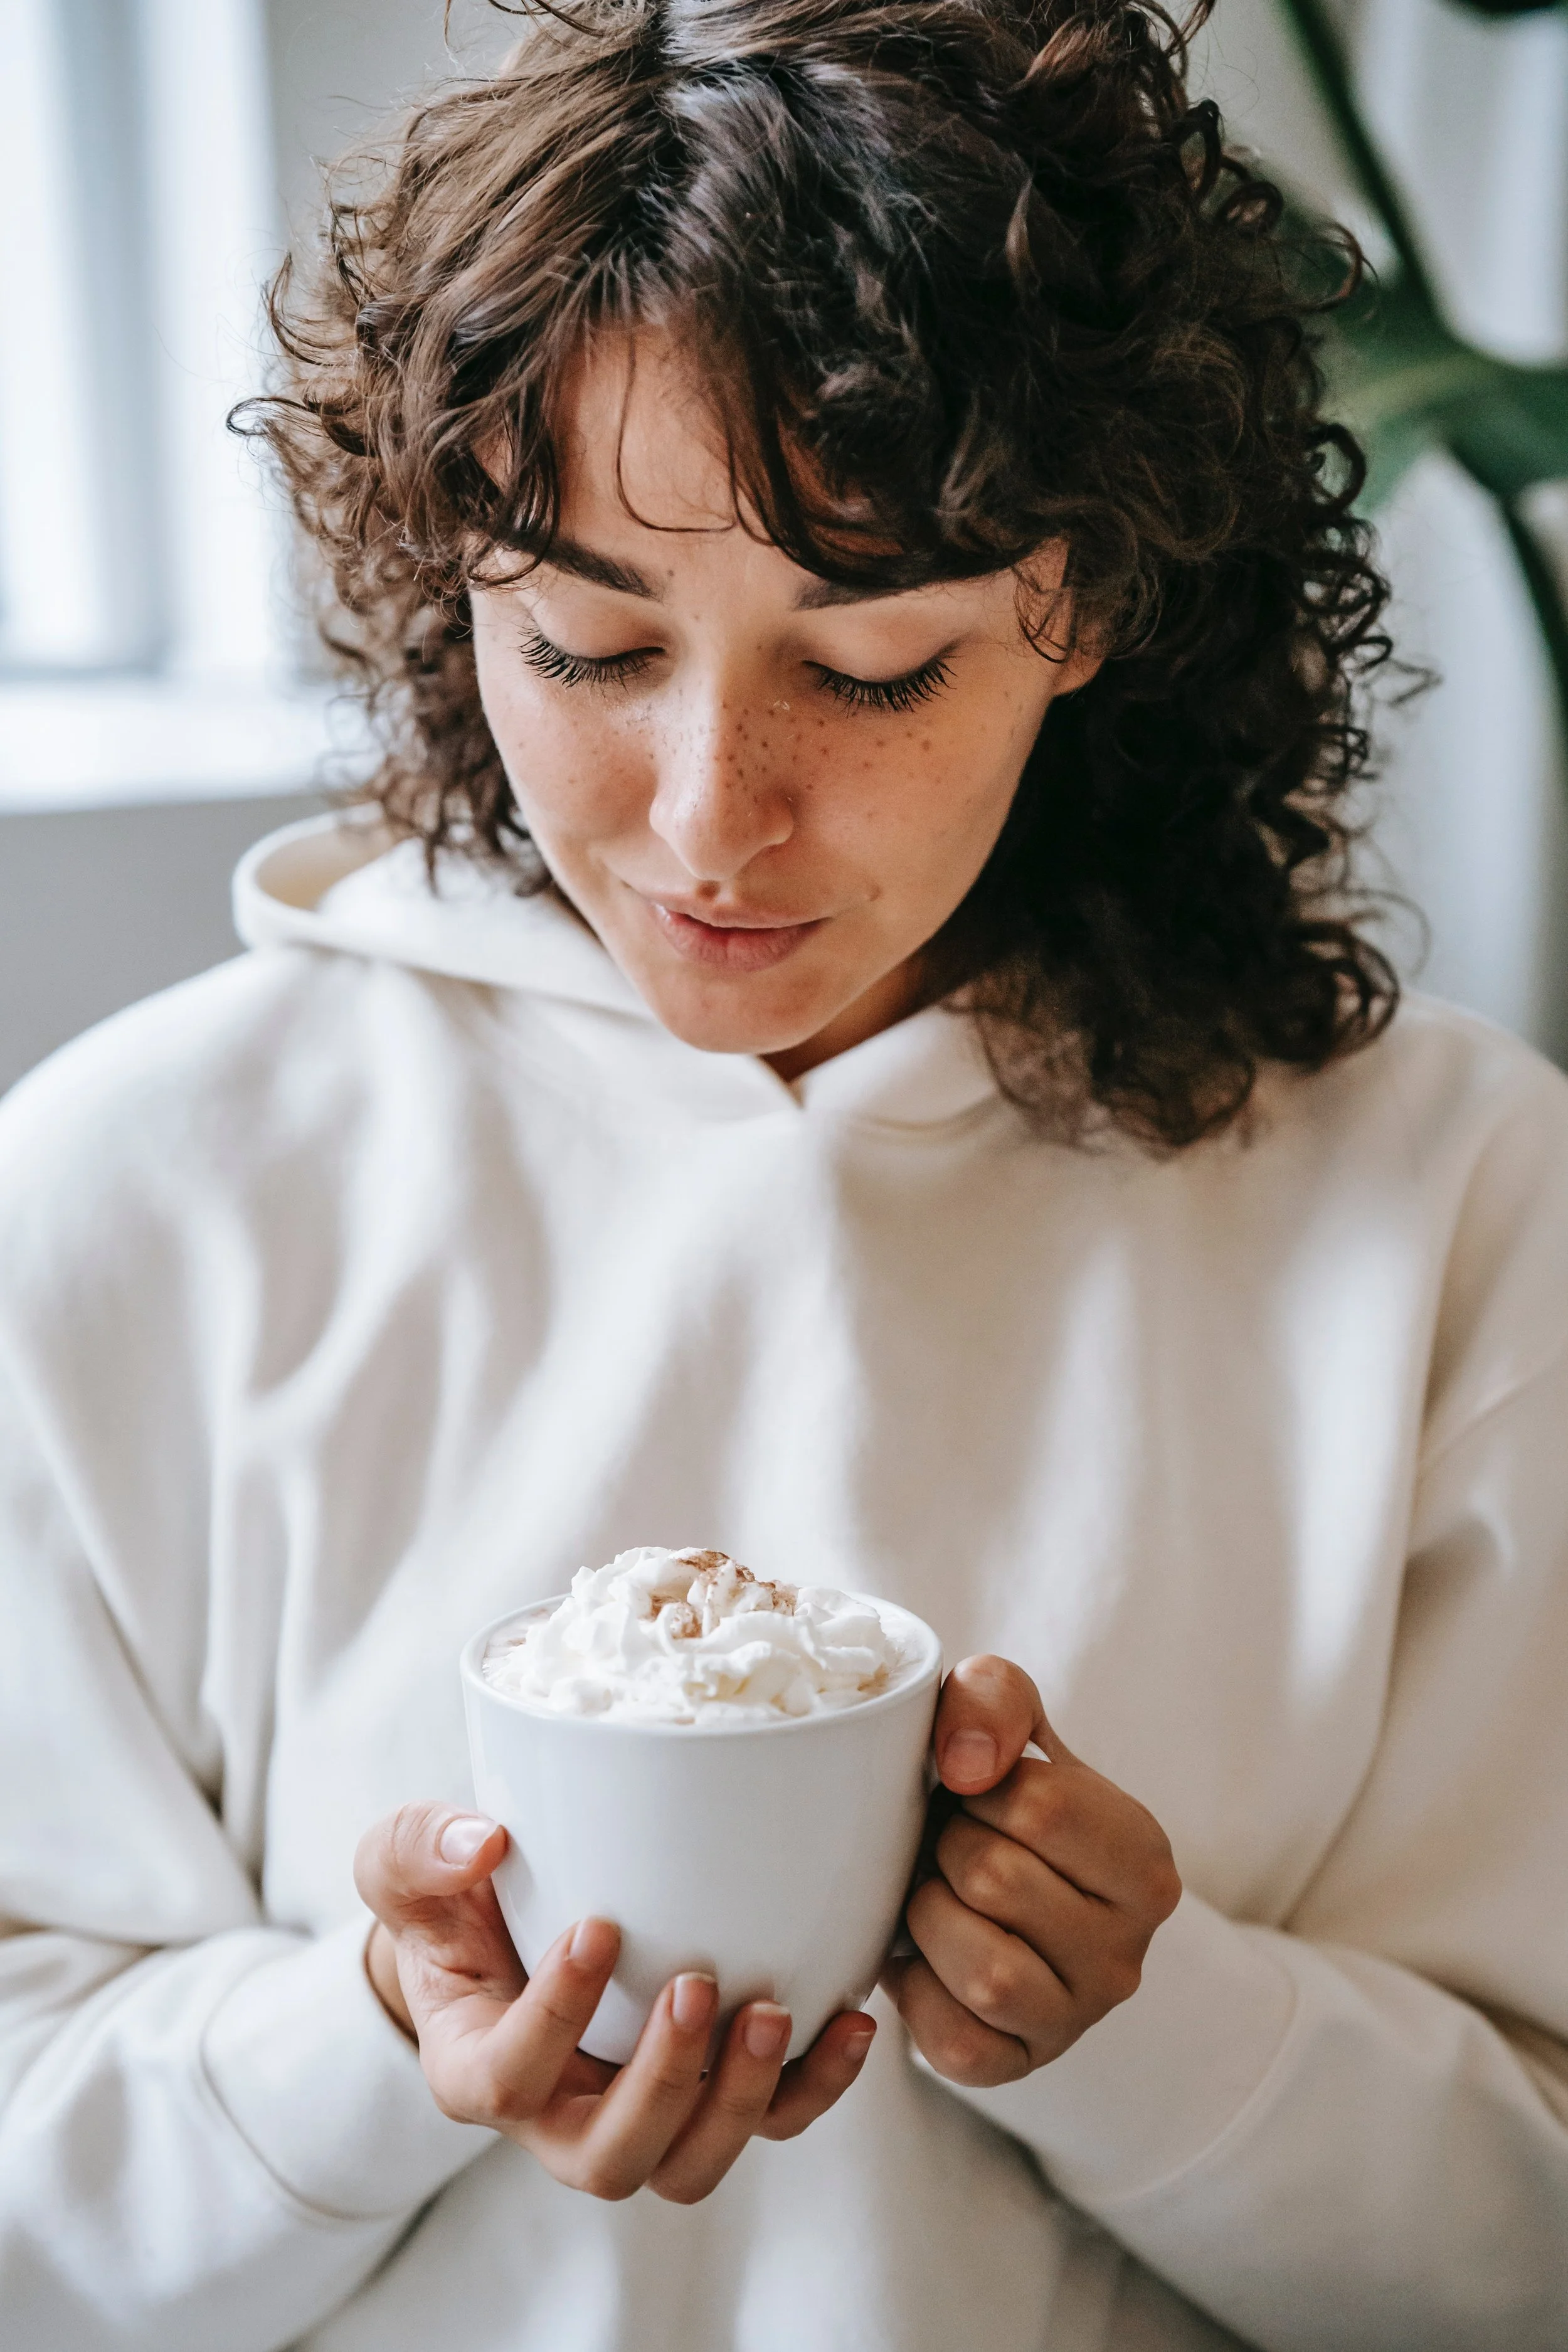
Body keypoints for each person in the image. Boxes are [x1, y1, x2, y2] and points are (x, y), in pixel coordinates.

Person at [3, 0, 1567, 2343]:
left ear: (1095, 602)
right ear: (452, 587)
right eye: (588, 642)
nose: (710, 817)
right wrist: (372, 2039)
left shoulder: (1450, 1203)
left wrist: (1157, 2027)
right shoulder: (130, 1193)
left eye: (875, 668)